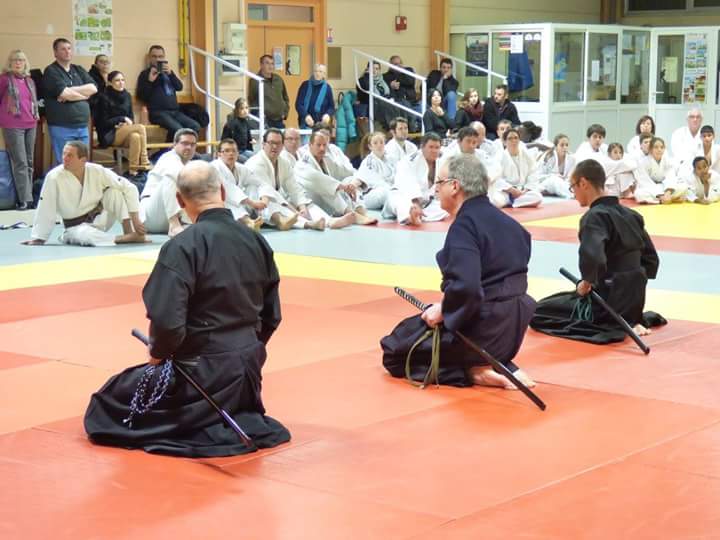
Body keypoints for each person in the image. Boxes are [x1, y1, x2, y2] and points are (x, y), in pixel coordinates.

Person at [84, 160, 291, 457]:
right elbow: (272, 316)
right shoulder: (256, 240)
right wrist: (246, 350)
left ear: (180, 201)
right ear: (221, 190)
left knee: (108, 401)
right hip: (247, 373)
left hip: (200, 374)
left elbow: (167, 323)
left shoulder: (183, 246)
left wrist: (157, 355)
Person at [382, 154, 535, 389]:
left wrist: (444, 310)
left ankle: (471, 372)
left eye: (439, 183)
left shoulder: (465, 226)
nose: (435, 190)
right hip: (513, 329)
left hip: (482, 330)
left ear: (455, 186)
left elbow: (469, 287)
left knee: (395, 351)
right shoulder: (513, 225)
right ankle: (498, 363)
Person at [531, 158, 664, 344]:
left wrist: (587, 282)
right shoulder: (632, 215)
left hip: (606, 305)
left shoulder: (594, 217)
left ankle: (611, 322)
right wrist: (632, 284)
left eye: (573, 187)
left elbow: (594, 257)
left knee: (537, 310)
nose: (574, 193)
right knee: (561, 299)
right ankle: (630, 319)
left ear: (583, 183)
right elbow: (651, 260)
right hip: (634, 301)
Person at [22, 141, 146, 246]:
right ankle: (126, 239)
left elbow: (130, 187)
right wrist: (39, 237)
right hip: (75, 228)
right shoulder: (54, 177)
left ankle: (129, 231)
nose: (64, 158)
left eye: (70, 155)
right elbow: (46, 207)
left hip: (100, 219)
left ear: (83, 160)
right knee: (86, 236)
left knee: (115, 192)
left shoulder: (96, 170)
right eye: (64, 154)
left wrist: (135, 220)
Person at [246, 128, 339, 231]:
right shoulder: (256, 163)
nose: (274, 147)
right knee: (269, 201)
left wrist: (302, 207)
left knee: (304, 202)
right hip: (253, 206)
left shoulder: (283, 163)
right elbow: (267, 191)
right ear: (263, 144)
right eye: (271, 143)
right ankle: (306, 223)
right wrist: (294, 210)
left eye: (278, 143)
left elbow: (294, 188)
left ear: (282, 146)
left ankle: (328, 221)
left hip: (275, 201)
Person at [295, 132, 377, 225]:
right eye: (318, 145)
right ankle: (351, 214)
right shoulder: (302, 163)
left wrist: (354, 183)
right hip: (312, 202)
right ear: (310, 145)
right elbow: (317, 179)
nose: (322, 148)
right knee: (328, 188)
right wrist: (341, 186)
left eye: (324, 145)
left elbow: (345, 171)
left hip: (328, 204)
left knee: (350, 180)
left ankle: (360, 211)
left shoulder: (326, 159)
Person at [42, 38, 97, 163]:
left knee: (83, 163)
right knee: (66, 164)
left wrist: (72, 91)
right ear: (55, 53)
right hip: (61, 127)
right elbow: (65, 94)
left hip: (82, 126)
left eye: (69, 48)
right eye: (63, 49)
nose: (67, 51)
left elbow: (93, 88)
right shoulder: (51, 71)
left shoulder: (78, 69)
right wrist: (84, 95)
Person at [140, 128, 198, 236]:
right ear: (174, 145)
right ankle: (174, 225)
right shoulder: (168, 158)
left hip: (171, 218)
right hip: (151, 216)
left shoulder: (190, 164)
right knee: (171, 177)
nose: (189, 147)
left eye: (192, 144)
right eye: (185, 143)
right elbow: (181, 175)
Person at [94, 70, 152, 179]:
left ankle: (133, 171)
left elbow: (131, 118)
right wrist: (120, 119)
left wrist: (125, 124)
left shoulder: (127, 95)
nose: (121, 83)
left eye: (122, 80)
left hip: (124, 130)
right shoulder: (103, 97)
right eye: (117, 80)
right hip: (109, 133)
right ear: (110, 83)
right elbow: (102, 122)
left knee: (136, 136)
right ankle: (144, 160)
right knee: (140, 127)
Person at [0, 49, 39, 210]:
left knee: (29, 162)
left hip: (31, 123)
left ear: (25, 63)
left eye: (21, 60)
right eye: (15, 60)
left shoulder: (29, 81)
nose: (18, 63)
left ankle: (27, 195)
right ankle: (25, 199)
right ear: (10, 63)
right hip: (12, 124)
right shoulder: (4, 80)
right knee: (20, 162)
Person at [136, 45, 200, 140]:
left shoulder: (168, 73)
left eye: (160, 57)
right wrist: (150, 81)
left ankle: (169, 150)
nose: (157, 59)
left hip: (174, 112)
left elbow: (179, 87)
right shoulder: (145, 74)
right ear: (150, 58)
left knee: (195, 126)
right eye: (154, 56)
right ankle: (171, 152)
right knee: (178, 130)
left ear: (164, 57)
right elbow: (141, 96)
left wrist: (171, 74)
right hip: (158, 113)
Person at [385, 132, 448, 225]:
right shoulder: (409, 160)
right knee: (401, 202)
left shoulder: (440, 161)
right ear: (422, 147)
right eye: (431, 147)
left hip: (426, 202)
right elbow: (407, 183)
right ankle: (411, 216)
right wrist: (415, 203)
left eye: (437, 147)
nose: (434, 151)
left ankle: (419, 215)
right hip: (405, 196)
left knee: (445, 208)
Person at [210, 139, 266, 230]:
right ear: (219, 154)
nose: (231, 154)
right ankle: (248, 222)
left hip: (241, 203)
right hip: (220, 203)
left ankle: (267, 217)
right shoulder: (214, 167)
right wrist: (252, 203)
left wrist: (264, 199)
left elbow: (258, 182)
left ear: (238, 154)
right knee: (228, 201)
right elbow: (228, 190)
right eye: (227, 151)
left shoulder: (240, 168)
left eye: (234, 151)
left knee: (253, 187)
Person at [491, 128, 542, 208]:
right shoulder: (499, 156)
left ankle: (513, 201)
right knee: (495, 201)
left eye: (516, 138)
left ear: (519, 140)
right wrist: (511, 190)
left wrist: (526, 189)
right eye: (510, 138)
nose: (513, 141)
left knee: (538, 197)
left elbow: (533, 172)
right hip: (506, 191)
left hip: (522, 190)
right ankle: (513, 200)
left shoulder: (526, 155)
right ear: (504, 142)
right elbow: (496, 179)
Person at [635, 137, 687, 204]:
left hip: (664, 187)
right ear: (650, 149)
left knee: (683, 186)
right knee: (639, 194)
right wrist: (660, 196)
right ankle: (664, 200)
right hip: (651, 188)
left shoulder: (667, 161)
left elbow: (670, 177)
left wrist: (667, 193)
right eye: (656, 147)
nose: (659, 150)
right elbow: (645, 182)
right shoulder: (643, 162)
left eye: (662, 147)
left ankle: (667, 198)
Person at [248, 54, 290, 129]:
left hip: (279, 120)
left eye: (272, 63)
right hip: (264, 120)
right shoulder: (255, 80)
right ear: (261, 65)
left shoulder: (278, 79)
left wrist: (285, 113)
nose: (270, 66)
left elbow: (285, 97)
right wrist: (257, 115)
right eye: (267, 63)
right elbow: (251, 99)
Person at [356, 131, 395, 210]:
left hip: (390, 189)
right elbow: (375, 182)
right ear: (370, 146)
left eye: (381, 142)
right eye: (375, 143)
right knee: (386, 192)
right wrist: (393, 189)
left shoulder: (391, 159)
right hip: (370, 195)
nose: (379, 145)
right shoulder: (368, 162)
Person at [532, 134, 575, 199]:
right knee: (554, 180)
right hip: (545, 183)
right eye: (562, 145)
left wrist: (564, 181)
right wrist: (553, 176)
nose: (565, 147)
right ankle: (572, 194)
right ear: (556, 146)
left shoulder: (572, 158)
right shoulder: (548, 156)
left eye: (567, 145)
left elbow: (570, 177)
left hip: (563, 184)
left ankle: (572, 193)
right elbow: (538, 176)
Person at [295, 63, 334, 130]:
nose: (317, 73)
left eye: (320, 71)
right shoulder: (305, 85)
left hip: (321, 125)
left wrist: (327, 115)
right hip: (306, 124)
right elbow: (298, 104)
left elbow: (331, 107)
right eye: (316, 71)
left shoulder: (328, 88)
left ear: (324, 74)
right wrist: (305, 116)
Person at [220, 97, 257, 163]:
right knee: (248, 161)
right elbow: (224, 140)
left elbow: (248, 139)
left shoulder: (246, 122)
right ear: (237, 110)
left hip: (244, 150)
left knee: (256, 158)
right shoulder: (231, 123)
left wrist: (251, 141)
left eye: (246, 108)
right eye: (242, 108)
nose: (245, 110)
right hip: (234, 152)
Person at [670, 108, 703, 176]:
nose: (695, 119)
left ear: (701, 120)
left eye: (698, 117)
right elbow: (678, 154)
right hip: (683, 167)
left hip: (701, 168)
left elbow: (707, 154)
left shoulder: (706, 134)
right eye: (692, 117)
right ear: (687, 119)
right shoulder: (678, 133)